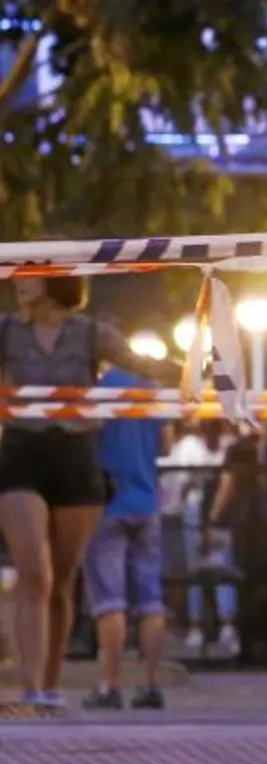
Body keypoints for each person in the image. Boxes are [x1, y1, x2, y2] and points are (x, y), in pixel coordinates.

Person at [0, 276, 174, 711]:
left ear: (56, 279)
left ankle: (50, 685)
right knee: (33, 572)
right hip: (22, 450)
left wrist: (208, 368)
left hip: (77, 454)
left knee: (61, 580)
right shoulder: (6, 331)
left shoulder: (90, 332)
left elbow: (141, 364)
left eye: (31, 274)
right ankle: (30, 687)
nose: (20, 282)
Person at [80, 364, 170, 710]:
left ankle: (109, 686)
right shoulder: (152, 389)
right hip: (147, 503)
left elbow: (86, 434)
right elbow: (165, 445)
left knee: (110, 601)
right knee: (151, 599)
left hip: (108, 504)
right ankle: (150, 684)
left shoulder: (96, 390)